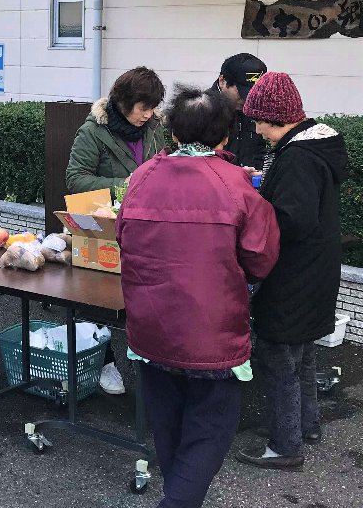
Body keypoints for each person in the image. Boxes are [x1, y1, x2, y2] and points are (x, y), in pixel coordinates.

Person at [117, 86, 279, 508]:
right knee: (209, 432)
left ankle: (178, 498)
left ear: (172, 133)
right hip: (213, 334)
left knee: (168, 428)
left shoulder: (142, 178)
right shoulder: (236, 185)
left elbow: (122, 237)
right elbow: (261, 258)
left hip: (150, 329)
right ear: (225, 135)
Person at [236, 72, 349, 471]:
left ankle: (285, 446)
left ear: (275, 117)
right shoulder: (314, 148)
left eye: (259, 121)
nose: (257, 129)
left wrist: (256, 213)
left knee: (280, 359)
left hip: (292, 276)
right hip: (316, 271)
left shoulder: (297, 158)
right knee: (302, 356)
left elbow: (291, 221)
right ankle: (308, 425)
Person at [65, 66, 168, 394]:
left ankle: (144, 360)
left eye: (153, 107)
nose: (149, 114)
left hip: (148, 229)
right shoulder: (94, 130)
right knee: (96, 297)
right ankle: (103, 360)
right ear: (123, 102)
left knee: (144, 299)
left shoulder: (155, 127)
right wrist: (122, 185)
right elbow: (75, 178)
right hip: (106, 227)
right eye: (143, 107)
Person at [211, 53, 268, 170]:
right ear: (222, 81)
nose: (247, 100)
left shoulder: (255, 105)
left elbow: (261, 149)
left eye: (254, 93)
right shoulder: (201, 111)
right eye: (242, 93)